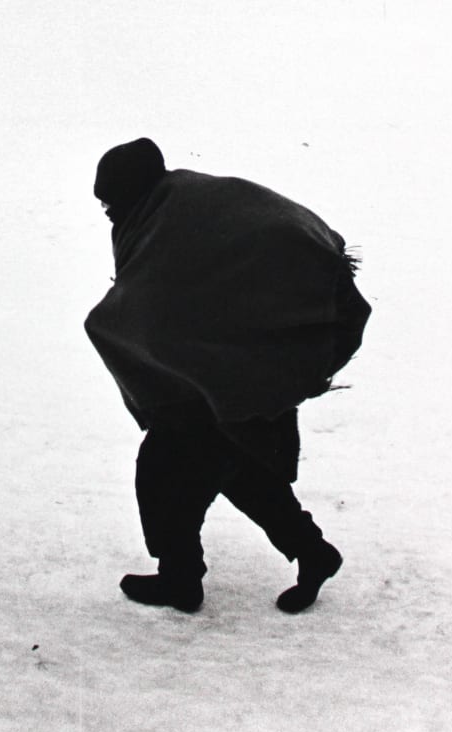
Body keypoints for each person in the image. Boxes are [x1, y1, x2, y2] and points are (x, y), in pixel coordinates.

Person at [84, 138, 371, 616]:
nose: (109, 214)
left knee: (164, 474)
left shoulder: (177, 219)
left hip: (236, 372)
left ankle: (182, 580)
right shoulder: (168, 206)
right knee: (241, 465)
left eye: (112, 204)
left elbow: (160, 301)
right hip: (229, 374)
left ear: (133, 190)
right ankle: (312, 553)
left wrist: (111, 327)